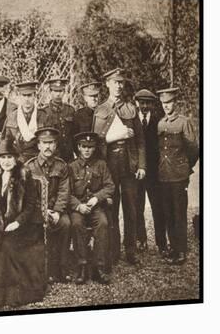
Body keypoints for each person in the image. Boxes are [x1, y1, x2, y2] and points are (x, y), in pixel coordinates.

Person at [0, 139, 47, 308]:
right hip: (1, 223)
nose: (6, 161)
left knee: (7, 245)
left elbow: (30, 206)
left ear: (15, 158)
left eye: (9, 157)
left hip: (25, 225)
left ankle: (14, 294)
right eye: (2, 157)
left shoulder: (24, 174)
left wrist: (17, 223)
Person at [93, 68, 146, 266]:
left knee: (131, 209)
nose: (118, 86)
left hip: (129, 164)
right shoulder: (100, 110)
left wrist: (141, 165)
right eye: (114, 82)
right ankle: (113, 251)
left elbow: (141, 141)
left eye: (121, 82)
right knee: (110, 208)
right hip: (109, 166)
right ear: (107, 84)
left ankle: (131, 250)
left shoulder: (131, 108)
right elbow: (97, 143)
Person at [156, 88, 199, 265]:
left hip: (179, 175)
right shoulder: (160, 124)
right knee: (168, 213)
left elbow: (193, 149)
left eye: (170, 103)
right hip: (164, 175)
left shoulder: (184, 122)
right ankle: (173, 247)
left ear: (176, 103)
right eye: (164, 104)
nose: (167, 106)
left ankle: (181, 250)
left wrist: (185, 167)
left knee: (179, 213)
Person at [26, 127, 71, 283]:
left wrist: (57, 211)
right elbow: (28, 195)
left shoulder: (61, 166)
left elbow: (64, 191)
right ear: (38, 145)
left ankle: (63, 268)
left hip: (56, 210)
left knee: (65, 224)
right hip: (36, 211)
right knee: (37, 227)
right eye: (44, 143)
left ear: (56, 145)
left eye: (51, 143)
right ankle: (45, 269)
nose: (48, 147)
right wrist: (42, 211)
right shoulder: (29, 167)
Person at [69, 132, 114, 284]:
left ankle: (98, 267)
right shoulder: (72, 167)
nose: (87, 150)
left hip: (96, 207)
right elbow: (66, 193)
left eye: (90, 147)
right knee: (76, 224)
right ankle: (81, 266)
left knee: (103, 223)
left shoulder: (101, 165)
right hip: (78, 208)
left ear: (94, 148)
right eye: (84, 147)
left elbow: (110, 186)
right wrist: (78, 206)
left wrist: (97, 198)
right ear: (79, 148)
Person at [133, 89, 167, 255]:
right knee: (137, 207)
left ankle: (161, 243)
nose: (145, 106)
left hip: (155, 173)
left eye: (148, 103)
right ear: (137, 103)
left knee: (158, 207)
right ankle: (141, 240)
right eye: (141, 102)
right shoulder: (132, 121)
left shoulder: (159, 121)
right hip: (138, 172)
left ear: (153, 104)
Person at [2, 81, 48, 164]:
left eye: (30, 95)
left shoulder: (43, 116)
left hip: (39, 161)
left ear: (35, 96)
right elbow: (5, 143)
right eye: (24, 95)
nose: (27, 99)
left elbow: (50, 141)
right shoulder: (12, 116)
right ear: (19, 96)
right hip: (18, 161)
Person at [41, 78, 75, 162]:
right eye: (55, 91)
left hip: (69, 155)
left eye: (60, 91)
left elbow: (74, 133)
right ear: (50, 92)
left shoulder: (70, 110)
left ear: (64, 92)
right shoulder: (44, 112)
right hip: (52, 155)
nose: (58, 94)